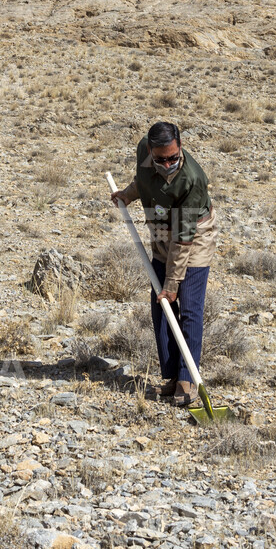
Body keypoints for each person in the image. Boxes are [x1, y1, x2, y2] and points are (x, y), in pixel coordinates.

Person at [110, 121, 218, 408]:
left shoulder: (192, 179)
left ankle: (188, 379)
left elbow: (183, 240)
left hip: (194, 236)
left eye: (173, 157)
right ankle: (171, 377)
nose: (168, 163)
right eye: (161, 159)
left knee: (188, 304)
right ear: (150, 151)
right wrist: (128, 195)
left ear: (180, 146)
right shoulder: (144, 152)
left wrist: (172, 286)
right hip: (160, 231)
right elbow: (143, 181)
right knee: (161, 306)